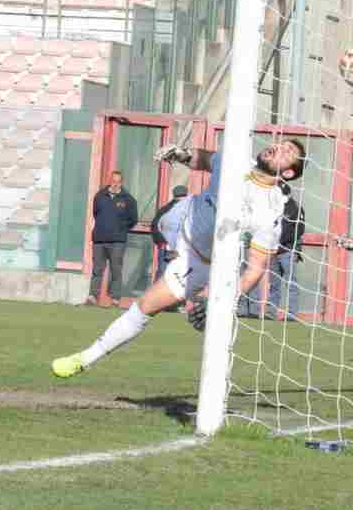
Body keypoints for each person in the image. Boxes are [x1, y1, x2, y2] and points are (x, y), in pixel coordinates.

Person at [52, 137, 306, 378]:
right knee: (167, 219)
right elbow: (207, 160)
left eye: (287, 152)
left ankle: (84, 359)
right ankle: (200, 300)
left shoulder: (270, 212)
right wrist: (182, 155)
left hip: (199, 262)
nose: (277, 147)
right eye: (279, 144)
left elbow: (255, 269)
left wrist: (225, 301)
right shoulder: (236, 162)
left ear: (288, 173)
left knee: (145, 307)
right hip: (182, 218)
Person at [241, 189, 305, 320]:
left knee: (291, 282)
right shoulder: (273, 207)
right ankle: (270, 312)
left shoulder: (295, 207)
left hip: (287, 250)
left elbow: (299, 229)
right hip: (273, 249)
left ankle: (292, 314)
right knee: (273, 282)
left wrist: (281, 241)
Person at [85, 170, 137, 308]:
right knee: (97, 270)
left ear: (122, 182)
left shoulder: (128, 199)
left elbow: (133, 220)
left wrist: (120, 228)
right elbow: (96, 213)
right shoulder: (99, 196)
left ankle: (115, 299)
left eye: (118, 181)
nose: (115, 184)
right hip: (99, 240)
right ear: (110, 181)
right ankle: (92, 297)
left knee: (116, 270)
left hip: (117, 241)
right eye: (113, 181)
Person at [150, 184, 188, 284]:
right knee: (179, 277)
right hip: (179, 249)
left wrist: (163, 242)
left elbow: (155, 227)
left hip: (168, 247)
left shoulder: (164, 210)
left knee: (163, 275)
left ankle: (156, 297)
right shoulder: (189, 209)